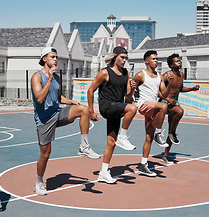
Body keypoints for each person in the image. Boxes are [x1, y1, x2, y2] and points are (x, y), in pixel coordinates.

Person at [31, 47, 100, 195]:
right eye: (52, 57)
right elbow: (39, 98)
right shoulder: (37, 77)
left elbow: (58, 97)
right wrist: (49, 79)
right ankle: (39, 182)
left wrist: (72, 102)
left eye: (56, 57)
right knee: (45, 154)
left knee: (84, 109)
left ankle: (84, 146)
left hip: (57, 113)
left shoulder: (56, 77)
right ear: (44, 59)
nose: (56, 59)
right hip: (44, 119)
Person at [87, 46, 137, 184]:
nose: (124, 60)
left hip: (117, 107)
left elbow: (127, 98)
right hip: (107, 106)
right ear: (115, 57)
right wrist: (91, 111)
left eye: (126, 58)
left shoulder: (126, 73)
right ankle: (123, 136)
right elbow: (90, 90)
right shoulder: (105, 72)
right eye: (122, 57)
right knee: (132, 109)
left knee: (111, 143)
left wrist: (132, 90)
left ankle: (103, 173)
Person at [132, 50, 173, 177]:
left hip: (154, 108)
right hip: (144, 105)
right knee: (163, 106)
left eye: (157, 59)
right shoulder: (140, 74)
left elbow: (164, 95)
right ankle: (159, 133)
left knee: (148, 137)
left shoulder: (160, 76)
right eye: (153, 59)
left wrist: (170, 84)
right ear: (146, 61)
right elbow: (130, 87)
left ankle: (143, 165)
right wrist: (130, 90)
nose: (156, 61)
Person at [159, 53, 200, 164]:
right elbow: (158, 91)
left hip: (174, 103)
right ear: (171, 65)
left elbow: (180, 88)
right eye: (177, 61)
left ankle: (165, 155)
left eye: (180, 61)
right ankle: (171, 132)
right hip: (165, 103)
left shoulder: (181, 74)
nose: (180, 62)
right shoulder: (167, 75)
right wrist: (167, 99)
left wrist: (192, 88)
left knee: (172, 132)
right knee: (180, 111)